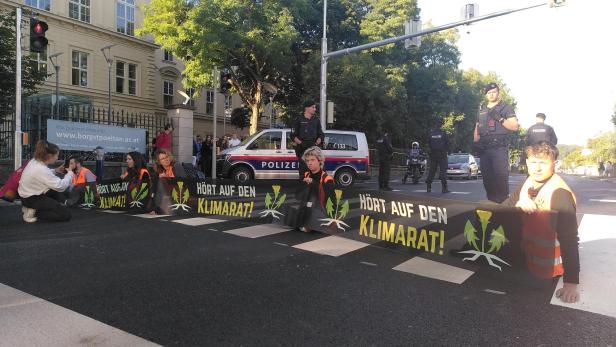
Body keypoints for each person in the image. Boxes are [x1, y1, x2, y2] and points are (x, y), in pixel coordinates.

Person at [502, 142, 580, 303]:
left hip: (548, 268)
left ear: (555, 164)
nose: (537, 168)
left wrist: (571, 284)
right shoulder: (529, 183)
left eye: (543, 163)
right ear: (527, 163)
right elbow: (501, 211)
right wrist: (517, 206)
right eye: (533, 162)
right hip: (526, 257)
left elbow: (570, 241)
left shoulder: (559, 194)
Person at [474, 82, 520, 203]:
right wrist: (475, 140)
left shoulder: (506, 107)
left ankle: (503, 207)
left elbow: (515, 126)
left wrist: (500, 118)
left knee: (501, 179)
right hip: (484, 149)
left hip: (499, 149)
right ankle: (492, 206)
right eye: (489, 92)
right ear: (486, 94)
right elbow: (477, 126)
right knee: (487, 181)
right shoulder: (482, 109)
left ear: (498, 93)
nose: (491, 94)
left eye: (494, 92)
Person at [17, 140, 74, 222]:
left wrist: (55, 170)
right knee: (65, 215)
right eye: (57, 155)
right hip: (31, 199)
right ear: (50, 156)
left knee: (54, 193)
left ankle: (62, 203)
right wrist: (70, 173)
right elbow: (60, 186)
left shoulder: (35, 161)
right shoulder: (41, 169)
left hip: (27, 195)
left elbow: (41, 175)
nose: (57, 158)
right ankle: (33, 211)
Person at [298, 146, 335, 233]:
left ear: (320, 161)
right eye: (307, 161)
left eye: (312, 160)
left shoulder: (327, 178)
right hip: (309, 207)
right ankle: (305, 222)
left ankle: (311, 223)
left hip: (322, 209)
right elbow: (299, 195)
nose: (309, 163)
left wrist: (313, 183)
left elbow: (329, 201)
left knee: (312, 204)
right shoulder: (306, 175)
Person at [291, 99, 324, 178]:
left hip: (314, 149)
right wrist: (301, 144)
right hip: (302, 149)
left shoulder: (316, 120)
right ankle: (304, 187)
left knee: (315, 172)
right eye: (313, 107)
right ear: (307, 108)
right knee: (304, 172)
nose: (315, 109)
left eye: (315, 107)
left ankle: (314, 188)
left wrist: (316, 143)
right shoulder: (298, 119)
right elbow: (292, 135)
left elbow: (321, 134)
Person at [426, 125, 450, 193]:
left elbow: (428, 144)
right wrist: (447, 150)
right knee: (443, 172)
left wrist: (431, 152)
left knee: (432, 171)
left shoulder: (431, 133)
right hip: (442, 155)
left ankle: (428, 186)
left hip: (433, 155)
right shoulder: (443, 133)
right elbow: (448, 143)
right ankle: (444, 188)